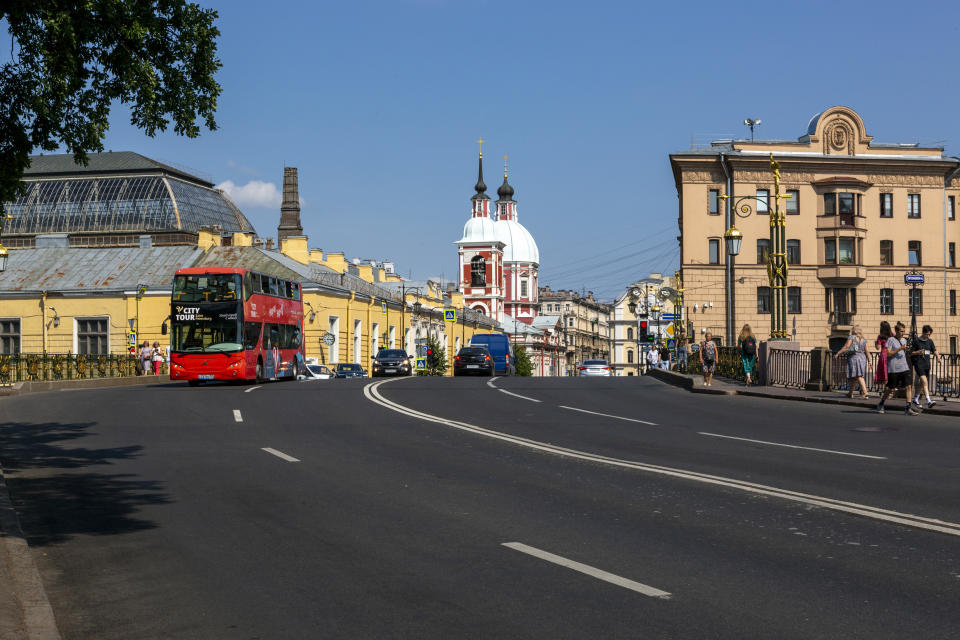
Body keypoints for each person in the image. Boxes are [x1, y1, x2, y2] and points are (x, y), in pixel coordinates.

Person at [877, 322, 917, 415]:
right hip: (894, 368)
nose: (902, 333)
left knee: (908, 386)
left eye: (904, 331)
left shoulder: (904, 340)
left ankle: (908, 408)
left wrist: (915, 352)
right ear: (896, 331)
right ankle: (881, 403)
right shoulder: (891, 340)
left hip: (904, 367)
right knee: (890, 388)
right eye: (901, 331)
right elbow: (888, 354)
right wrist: (900, 348)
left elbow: (906, 353)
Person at [909, 324, 941, 409]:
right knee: (924, 381)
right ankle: (928, 401)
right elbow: (911, 352)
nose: (928, 336)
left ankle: (915, 399)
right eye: (927, 334)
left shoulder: (930, 341)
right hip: (918, 364)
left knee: (921, 383)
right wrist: (918, 352)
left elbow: (934, 350)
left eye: (929, 334)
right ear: (923, 332)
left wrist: (938, 357)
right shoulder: (916, 341)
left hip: (927, 364)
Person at [835, 324, 870, 399]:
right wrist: (870, 361)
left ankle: (865, 393)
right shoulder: (864, 339)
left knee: (859, 376)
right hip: (863, 358)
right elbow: (867, 352)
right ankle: (850, 393)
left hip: (854, 358)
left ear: (854, 330)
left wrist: (838, 353)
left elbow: (846, 347)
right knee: (854, 377)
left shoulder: (852, 337)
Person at [874, 321, 892, 388]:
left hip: (884, 355)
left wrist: (875, 343)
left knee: (884, 373)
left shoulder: (880, 336)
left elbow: (878, 348)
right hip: (891, 354)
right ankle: (890, 390)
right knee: (890, 372)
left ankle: (886, 389)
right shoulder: (892, 335)